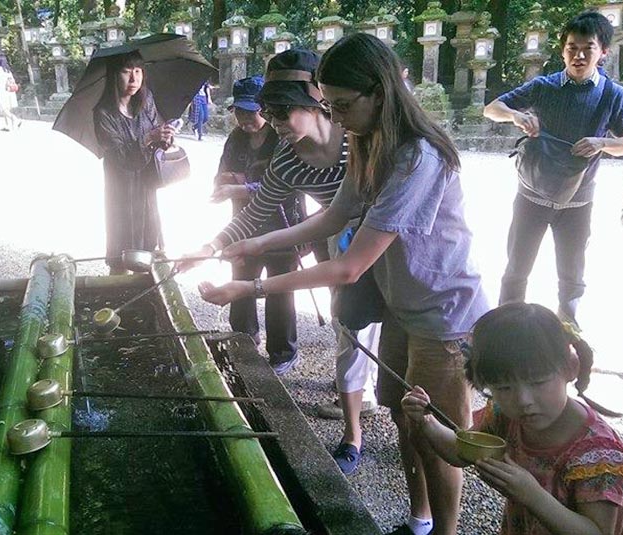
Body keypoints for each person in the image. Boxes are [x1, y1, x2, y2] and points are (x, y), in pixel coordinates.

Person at [199, 33, 489, 535]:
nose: (336, 117)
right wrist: (250, 244)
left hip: (444, 314)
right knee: (405, 417)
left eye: (344, 105)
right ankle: (420, 521)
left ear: (381, 91)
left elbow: (349, 267)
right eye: (329, 105)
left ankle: (445, 531)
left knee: (438, 436)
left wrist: (251, 291)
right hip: (402, 305)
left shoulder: (416, 156)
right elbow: (330, 219)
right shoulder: (367, 141)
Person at [184, 48, 382, 475]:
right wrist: (212, 246)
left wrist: (256, 266)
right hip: (339, 238)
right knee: (348, 325)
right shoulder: (289, 158)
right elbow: (258, 215)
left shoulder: (362, 137)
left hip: (391, 238)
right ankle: (352, 434)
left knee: (391, 338)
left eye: (282, 112)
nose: (274, 123)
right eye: (268, 114)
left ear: (317, 101)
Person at [402, 303, 623, 535]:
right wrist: (427, 422)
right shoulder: (504, 415)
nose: (523, 400)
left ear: (570, 369)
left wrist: (531, 494)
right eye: (503, 387)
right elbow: (461, 451)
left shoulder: (597, 453)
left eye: (537, 382)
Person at [483, 11, 623, 326]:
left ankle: (568, 335)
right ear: (562, 49)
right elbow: (491, 109)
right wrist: (516, 116)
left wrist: (600, 143)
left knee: (572, 279)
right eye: (571, 47)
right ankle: (505, 331)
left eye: (588, 48)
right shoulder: (544, 86)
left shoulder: (612, 95)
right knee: (516, 270)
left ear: (603, 52)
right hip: (532, 195)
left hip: (578, 201)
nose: (578, 55)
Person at [209, 75, 302, 375]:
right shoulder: (235, 138)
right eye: (240, 111)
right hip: (244, 225)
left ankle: (283, 351)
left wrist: (240, 187)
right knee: (242, 284)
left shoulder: (282, 139)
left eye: (252, 111)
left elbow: (285, 185)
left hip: (282, 225)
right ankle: (244, 340)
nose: (246, 118)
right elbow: (223, 171)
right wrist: (222, 181)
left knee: (280, 289)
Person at [93, 51, 177, 274]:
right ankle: (117, 295)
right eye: (126, 72)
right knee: (121, 251)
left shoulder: (146, 99)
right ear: (114, 75)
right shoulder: (103, 113)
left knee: (148, 247)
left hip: (146, 185)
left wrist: (165, 137)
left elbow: (157, 138)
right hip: (121, 188)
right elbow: (120, 156)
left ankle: (146, 297)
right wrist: (149, 137)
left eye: (138, 71)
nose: (134, 79)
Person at [0, 57, 21, 131]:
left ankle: (15, 119)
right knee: (7, 109)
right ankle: (8, 126)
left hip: (3, 91)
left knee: (4, 109)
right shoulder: (8, 70)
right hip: (10, 92)